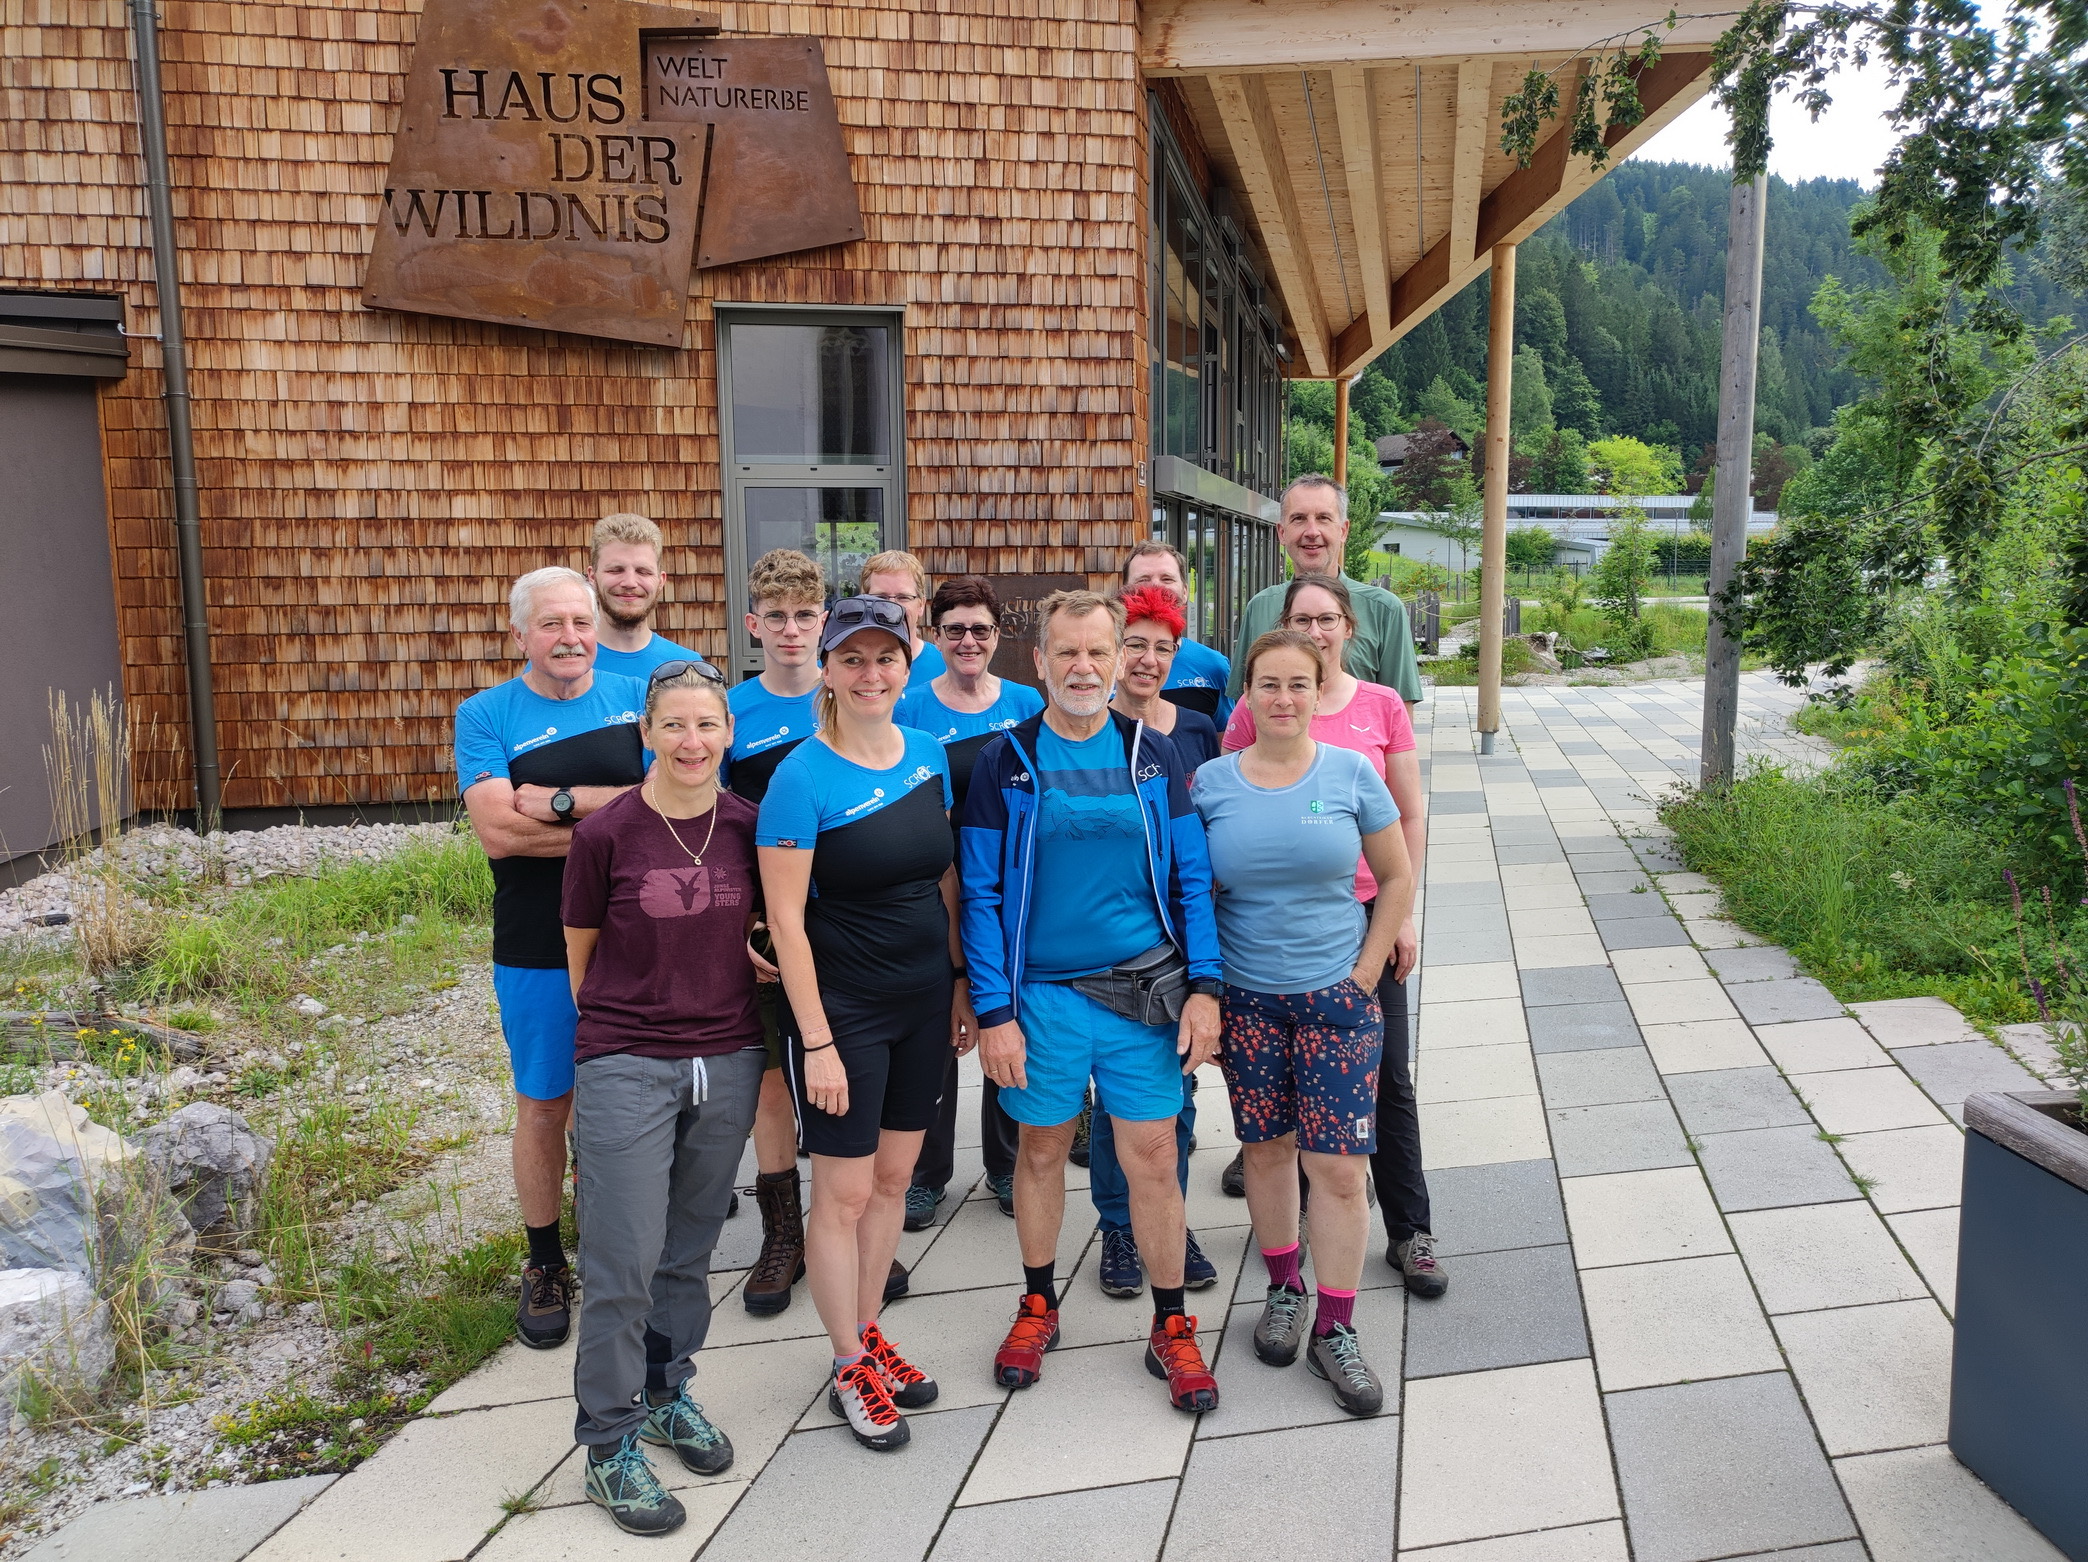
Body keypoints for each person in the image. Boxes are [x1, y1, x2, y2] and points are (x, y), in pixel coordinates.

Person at [960, 590, 1225, 1414]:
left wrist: (1207, 989)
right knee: (1039, 1153)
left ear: (1119, 664)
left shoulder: (1155, 757)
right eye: (1065, 653)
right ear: (1037, 662)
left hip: (1142, 996)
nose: (1083, 668)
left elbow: (1192, 878)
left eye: (1097, 654)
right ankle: (1038, 1303)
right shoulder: (1001, 762)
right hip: (1039, 1002)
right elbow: (980, 895)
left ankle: (1171, 1324)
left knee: (1153, 1158)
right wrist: (996, 1010)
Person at [756, 595, 974, 1451]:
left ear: (907, 663)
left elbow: (945, 882)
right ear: (828, 670)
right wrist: (815, 1040)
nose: (871, 674)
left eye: (886, 658)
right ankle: (846, 1359)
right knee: (843, 1194)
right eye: (853, 660)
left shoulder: (927, 755)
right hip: (845, 1011)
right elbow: (784, 922)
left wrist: (959, 982)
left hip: (925, 1001)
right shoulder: (799, 776)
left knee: (893, 1183)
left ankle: (870, 1326)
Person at [1195, 628, 1415, 1415]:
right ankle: (1284, 1285)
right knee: (1265, 1151)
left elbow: (1395, 876)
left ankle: (1337, 1326)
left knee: (1340, 1170)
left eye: (1299, 684)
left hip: (1336, 999)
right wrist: (1209, 992)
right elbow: (1199, 895)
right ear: (1246, 696)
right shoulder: (1212, 784)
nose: (1283, 698)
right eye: (1268, 685)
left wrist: (1364, 975)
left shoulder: (1354, 772)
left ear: (1321, 692)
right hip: (1250, 1002)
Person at [561, 663, 758, 1536]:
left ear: (728, 732)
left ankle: (668, 1390)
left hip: (729, 1055)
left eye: (706, 725)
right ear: (646, 731)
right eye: (673, 725)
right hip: (628, 1060)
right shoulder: (606, 834)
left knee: (689, 1248)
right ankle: (608, 1446)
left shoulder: (750, 826)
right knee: (623, 1257)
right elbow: (582, 958)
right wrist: (629, 1036)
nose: (691, 742)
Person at [1224, 573, 1442, 1297]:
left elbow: (1405, 826)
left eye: (1326, 621)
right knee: (1272, 1138)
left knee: (1383, 1100)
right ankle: (1291, 1264)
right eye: (1300, 620)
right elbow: (1213, 855)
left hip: (1356, 939)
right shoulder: (1223, 767)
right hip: (1257, 972)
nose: (1284, 695)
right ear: (1251, 691)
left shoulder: (1373, 720)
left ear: (1347, 629)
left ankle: (1408, 1233)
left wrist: (1387, 934)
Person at [455, 567, 646, 1350]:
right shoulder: (486, 714)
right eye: (552, 624)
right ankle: (543, 1262)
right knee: (544, 1102)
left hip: (638, 935)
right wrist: (621, 813)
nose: (570, 637)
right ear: (520, 636)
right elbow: (500, 834)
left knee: (633, 1101)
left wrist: (562, 801)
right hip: (534, 942)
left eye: (581, 621)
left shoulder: (637, 701)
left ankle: (625, 1249)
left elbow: (674, 792)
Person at [1080, 583, 1221, 1298]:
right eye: (1134, 644)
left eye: (1162, 648)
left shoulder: (1195, 731)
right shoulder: (1087, 729)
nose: (1147, 659)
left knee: (1178, 1094)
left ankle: (1169, 1216)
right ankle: (1116, 1226)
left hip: (1176, 938)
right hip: (1111, 942)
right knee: (1115, 1099)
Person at [893, 577, 1041, 1230]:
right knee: (938, 1027)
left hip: (1017, 884)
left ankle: (1007, 1163)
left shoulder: (1026, 701)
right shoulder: (913, 709)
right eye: (954, 629)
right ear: (936, 635)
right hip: (935, 882)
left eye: (980, 629)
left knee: (1010, 1020)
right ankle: (927, 1173)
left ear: (998, 633)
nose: (968, 640)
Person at [724, 547, 828, 1316]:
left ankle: (839, 1229)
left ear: (823, 622)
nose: (792, 631)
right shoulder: (733, 712)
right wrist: (740, 925)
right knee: (769, 1085)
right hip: (761, 923)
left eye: (805, 616)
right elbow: (716, 829)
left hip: (842, 919)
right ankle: (782, 1237)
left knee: (836, 1076)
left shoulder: (852, 695)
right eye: (777, 618)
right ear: (754, 625)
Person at [1226, 476, 1423, 705]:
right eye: (1298, 519)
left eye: (1323, 518)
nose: (1312, 531)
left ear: (1343, 530)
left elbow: (1399, 713)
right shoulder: (1260, 606)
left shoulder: (1384, 610)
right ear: (1281, 532)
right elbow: (1243, 703)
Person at [585, 513, 721, 681]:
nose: (630, 582)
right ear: (592, 576)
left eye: (643, 572)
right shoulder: (569, 665)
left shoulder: (689, 666)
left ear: (660, 580)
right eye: (615, 570)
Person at [1123, 540, 1232, 724]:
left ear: (1185, 591)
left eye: (1167, 579)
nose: (1156, 587)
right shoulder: (1101, 662)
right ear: (1124, 589)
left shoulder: (1213, 666)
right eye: (1143, 580)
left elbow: (1223, 747)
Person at [859, 549, 946, 687]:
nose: (892, 606)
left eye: (903, 597)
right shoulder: (840, 668)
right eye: (881, 598)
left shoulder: (946, 665)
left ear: (921, 605)